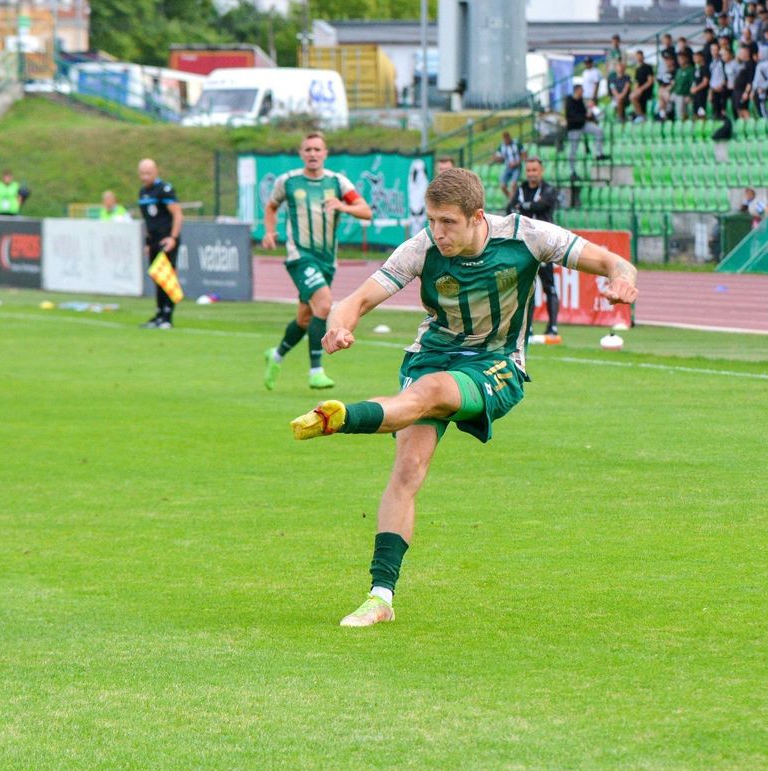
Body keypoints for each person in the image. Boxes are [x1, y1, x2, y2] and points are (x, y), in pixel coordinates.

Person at [288, 168, 638, 627]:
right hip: (432, 354)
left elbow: (614, 262)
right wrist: (340, 324)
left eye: (448, 222)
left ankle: (343, 417)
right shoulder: (423, 247)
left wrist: (621, 281)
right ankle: (381, 596)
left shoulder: (528, 236)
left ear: (476, 217)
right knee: (407, 470)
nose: (438, 232)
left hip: (495, 364)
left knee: (427, 392)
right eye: (432, 220)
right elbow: (356, 299)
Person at [261, 132, 372, 390]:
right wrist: (269, 231)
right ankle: (316, 371)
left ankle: (275, 356)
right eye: (307, 149)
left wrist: (343, 206)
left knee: (304, 318)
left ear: (325, 154)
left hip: (327, 260)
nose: (312, 154)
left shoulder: (337, 182)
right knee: (324, 306)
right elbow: (271, 207)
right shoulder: (287, 181)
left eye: (317, 149)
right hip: (299, 256)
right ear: (301, 154)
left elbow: (365, 210)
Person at [507, 157, 561, 336]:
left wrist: (523, 207)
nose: (531, 174)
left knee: (549, 286)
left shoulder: (549, 189)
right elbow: (509, 209)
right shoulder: (521, 189)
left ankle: (552, 327)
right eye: (528, 170)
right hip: (524, 246)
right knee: (526, 288)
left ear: (541, 171)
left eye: (534, 170)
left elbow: (543, 205)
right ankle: (527, 327)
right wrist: (523, 207)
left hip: (544, 245)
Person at [137, 158, 183, 329]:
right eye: (142, 173)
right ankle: (159, 314)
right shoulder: (142, 193)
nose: (144, 177)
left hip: (167, 240)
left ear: (155, 172)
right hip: (154, 241)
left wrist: (173, 238)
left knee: (167, 277)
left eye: (148, 173)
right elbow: (148, 220)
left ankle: (167, 317)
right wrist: (148, 242)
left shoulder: (165, 190)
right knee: (158, 277)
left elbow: (178, 215)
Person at [565, 85, 605, 177]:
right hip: (574, 128)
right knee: (573, 149)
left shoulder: (581, 100)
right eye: (581, 90)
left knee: (598, 131)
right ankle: (572, 171)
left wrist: (589, 113)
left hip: (582, 124)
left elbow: (584, 113)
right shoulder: (570, 101)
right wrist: (585, 116)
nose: (582, 92)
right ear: (577, 90)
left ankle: (599, 153)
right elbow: (572, 115)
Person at [492, 131, 525, 199]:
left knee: (513, 184)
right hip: (508, 167)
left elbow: (524, 154)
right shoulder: (502, 146)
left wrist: (517, 162)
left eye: (507, 139)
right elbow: (498, 158)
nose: (506, 140)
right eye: (504, 139)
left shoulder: (517, 143)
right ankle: (512, 198)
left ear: (509, 138)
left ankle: (515, 199)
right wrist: (495, 158)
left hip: (517, 167)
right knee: (502, 186)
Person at [630, 50, 656, 122]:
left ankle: (642, 116)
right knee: (632, 96)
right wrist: (636, 90)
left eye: (639, 56)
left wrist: (641, 89)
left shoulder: (648, 67)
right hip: (640, 91)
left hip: (647, 91)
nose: (638, 58)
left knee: (633, 96)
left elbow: (650, 81)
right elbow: (637, 83)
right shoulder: (637, 69)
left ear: (643, 57)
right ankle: (639, 114)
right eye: (637, 56)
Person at [671, 50, 695, 121]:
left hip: (684, 95)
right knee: (663, 98)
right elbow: (675, 84)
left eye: (681, 58)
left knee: (680, 101)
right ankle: (663, 118)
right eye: (678, 59)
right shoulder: (679, 70)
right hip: (676, 93)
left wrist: (690, 95)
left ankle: (682, 121)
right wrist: (670, 92)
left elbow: (693, 84)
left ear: (686, 59)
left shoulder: (691, 70)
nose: (679, 60)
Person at [690, 50, 711, 118]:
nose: (694, 59)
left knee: (701, 112)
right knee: (695, 112)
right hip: (696, 95)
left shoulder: (705, 68)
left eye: (696, 57)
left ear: (701, 57)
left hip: (702, 94)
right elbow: (694, 81)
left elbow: (705, 82)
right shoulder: (696, 68)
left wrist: (696, 88)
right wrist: (692, 88)